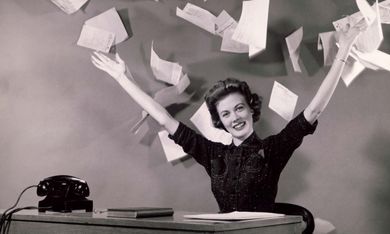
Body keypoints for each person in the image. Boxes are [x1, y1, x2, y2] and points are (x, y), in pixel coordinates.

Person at [91, 21, 366, 213]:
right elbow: (162, 117)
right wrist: (121, 78)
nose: (234, 117)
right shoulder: (212, 154)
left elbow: (314, 110)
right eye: (225, 114)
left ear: (250, 109)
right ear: (219, 121)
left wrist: (344, 49)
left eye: (239, 108)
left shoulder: (272, 150)